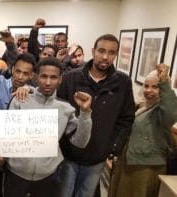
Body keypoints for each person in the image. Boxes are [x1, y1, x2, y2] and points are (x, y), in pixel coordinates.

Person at [0, 57, 93, 197]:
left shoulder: (65, 108)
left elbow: (80, 142)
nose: (48, 82)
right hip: (15, 174)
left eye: (53, 77)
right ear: (36, 78)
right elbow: (8, 135)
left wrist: (85, 113)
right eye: (43, 76)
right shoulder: (20, 100)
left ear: (60, 79)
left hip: (48, 177)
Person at [57, 34, 135, 197]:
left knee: (86, 194)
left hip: (98, 156)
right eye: (101, 51)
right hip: (68, 153)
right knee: (64, 193)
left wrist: (114, 147)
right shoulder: (71, 77)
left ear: (116, 54)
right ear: (93, 51)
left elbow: (126, 118)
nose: (106, 57)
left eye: (112, 52)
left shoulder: (123, 82)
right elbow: (57, 110)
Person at [108, 64, 177, 197]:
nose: (149, 90)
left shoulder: (161, 112)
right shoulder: (141, 107)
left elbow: (170, 112)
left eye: (155, 87)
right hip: (128, 163)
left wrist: (164, 83)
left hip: (146, 168)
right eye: (146, 86)